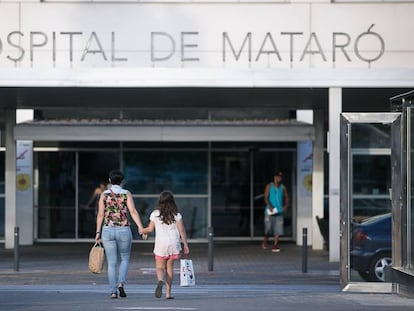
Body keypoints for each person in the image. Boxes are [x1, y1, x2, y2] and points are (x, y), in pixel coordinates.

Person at [95, 170, 146, 299]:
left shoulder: (104, 195)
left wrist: (98, 232)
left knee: (111, 263)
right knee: (125, 258)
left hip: (107, 230)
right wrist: (140, 227)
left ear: (110, 180)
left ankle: (113, 291)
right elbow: (133, 211)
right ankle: (121, 283)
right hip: (124, 229)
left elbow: (100, 214)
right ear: (122, 181)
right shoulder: (126, 194)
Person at [142, 191, 190, 299]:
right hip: (174, 244)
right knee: (170, 269)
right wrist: (186, 245)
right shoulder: (177, 215)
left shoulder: (155, 214)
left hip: (161, 244)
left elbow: (150, 229)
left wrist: (142, 231)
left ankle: (160, 280)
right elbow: (182, 230)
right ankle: (168, 294)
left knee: (159, 267)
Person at [262, 170, 289, 252]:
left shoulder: (283, 187)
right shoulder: (269, 186)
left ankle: (275, 245)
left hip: (279, 211)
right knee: (268, 229)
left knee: (278, 229)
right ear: (274, 177)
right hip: (270, 211)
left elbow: (287, 197)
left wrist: (286, 205)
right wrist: (270, 206)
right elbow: (266, 197)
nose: (279, 179)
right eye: (277, 177)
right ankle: (265, 240)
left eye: (280, 177)